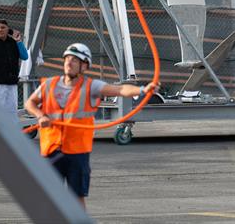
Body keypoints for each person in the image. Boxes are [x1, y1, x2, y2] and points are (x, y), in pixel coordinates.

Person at [24, 43, 158, 206]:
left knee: (76, 197)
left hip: (77, 152)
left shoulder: (91, 86)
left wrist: (143, 90)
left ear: (84, 65)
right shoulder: (50, 84)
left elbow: (120, 90)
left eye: (74, 60)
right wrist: (40, 116)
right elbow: (30, 103)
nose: (69, 62)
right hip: (51, 149)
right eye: (67, 59)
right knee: (49, 197)